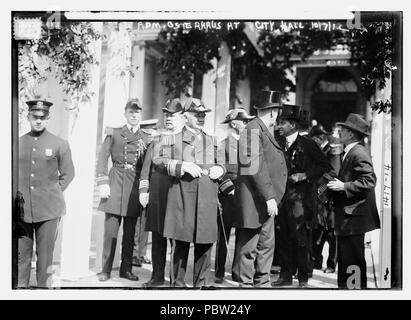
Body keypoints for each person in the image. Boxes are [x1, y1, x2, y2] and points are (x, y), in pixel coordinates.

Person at [153, 97, 226, 288]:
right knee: (181, 245)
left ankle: (200, 286)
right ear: (186, 116)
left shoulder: (211, 140)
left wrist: (221, 169)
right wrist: (181, 165)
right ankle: (177, 286)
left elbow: (223, 163)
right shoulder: (172, 138)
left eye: (203, 114)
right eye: (197, 114)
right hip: (182, 199)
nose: (201, 118)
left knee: (205, 244)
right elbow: (158, 161)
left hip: (207, 200)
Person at [231, 89, 288, 287]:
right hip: (256, 200)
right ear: (273, 112)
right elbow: (254, 165)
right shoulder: (253, 129)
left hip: (264, 200)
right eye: (278, 112)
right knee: (250, 246)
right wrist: (269, 196)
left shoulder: (259, 129)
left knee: (266, 244)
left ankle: (262, 283)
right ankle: (246, 285)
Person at [17, 99, 75, 288]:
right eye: (35, 117)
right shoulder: (16, 143)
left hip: (49, 211)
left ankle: (43, 290)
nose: (39, 121)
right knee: (20, 257)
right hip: (21, 211)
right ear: (28, 117)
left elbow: (68, 173)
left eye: (43, 117)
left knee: (45, 258)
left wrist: (52, 192)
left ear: (48, 118)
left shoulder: (59, 144)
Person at [272, 105, 331, 288]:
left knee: (300, 239)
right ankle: (285, 275)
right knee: (283, 236)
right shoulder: (277, 142)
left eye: (282, 123)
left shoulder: (308, 144)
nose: (278, 126)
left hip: (301, 201)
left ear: (292, 125)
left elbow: (324, 166)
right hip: (281, 199)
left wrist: (305, 175)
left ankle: (303, 278)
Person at [96, 98, 150, 282]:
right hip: (115, 183)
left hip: (133, 187)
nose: (134, 115)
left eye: (137, 112)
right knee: (110, 231)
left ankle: (126, 269)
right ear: (125, 113)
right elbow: (102, 158)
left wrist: (144, 190)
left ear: (140, 114)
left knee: (130, 233)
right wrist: (103, 182)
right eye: (131, 112)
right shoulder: (114, 133)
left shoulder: (145, 137)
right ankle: (105, 269)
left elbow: (145, 167)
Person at [327, 113, 380, 289]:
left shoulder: (358, 153)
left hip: (354, 219)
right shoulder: (351, 152)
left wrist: (344, 187)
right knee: (347, 261)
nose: (339, 132)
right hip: (350, 218)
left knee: (352, 262)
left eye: (343, 129)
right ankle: (350, 291)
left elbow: (370, 181)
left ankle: (354, 292)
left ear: (350, 134)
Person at [138, 99, 186, 287]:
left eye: (172, 115)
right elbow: (146, 167)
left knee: (178, 239)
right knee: (158, 237)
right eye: (166, 114)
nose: (168, 118)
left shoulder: (187, 138)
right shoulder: (157, 138)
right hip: (158, 194)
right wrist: (144, 190)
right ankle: (157, 277)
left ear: (182, 117)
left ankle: (177, 281)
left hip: (178, 193)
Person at [214, 108, 255, 284]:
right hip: (229, 193)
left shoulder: (251, 144)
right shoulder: (223, 144)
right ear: (233, 124)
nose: (246, 124)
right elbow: (219, 168)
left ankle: (238, 272)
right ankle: (219, 271)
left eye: (247, 121)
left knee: (242, 233)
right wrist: (227, 187)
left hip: (246, 194)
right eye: (243, 121)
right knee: (223, 234)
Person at [309, 124, 342, 273]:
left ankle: (331, 264)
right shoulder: (324, 151)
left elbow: (333, 174)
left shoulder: (333, 152)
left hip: (332, 198)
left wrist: (321, 189)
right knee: (320, 229)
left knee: (332, 232)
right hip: (323, 199)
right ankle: (317, 261)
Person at [132, 119, 158, 268]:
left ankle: (141, 253)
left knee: (145, 222)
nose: (152, 134)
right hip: (138, 186)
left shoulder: (151, 145)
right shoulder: (141, 146)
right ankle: (135, 254)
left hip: (149, 187)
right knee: (138, 223)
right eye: (150, 132)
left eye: (153, 131)